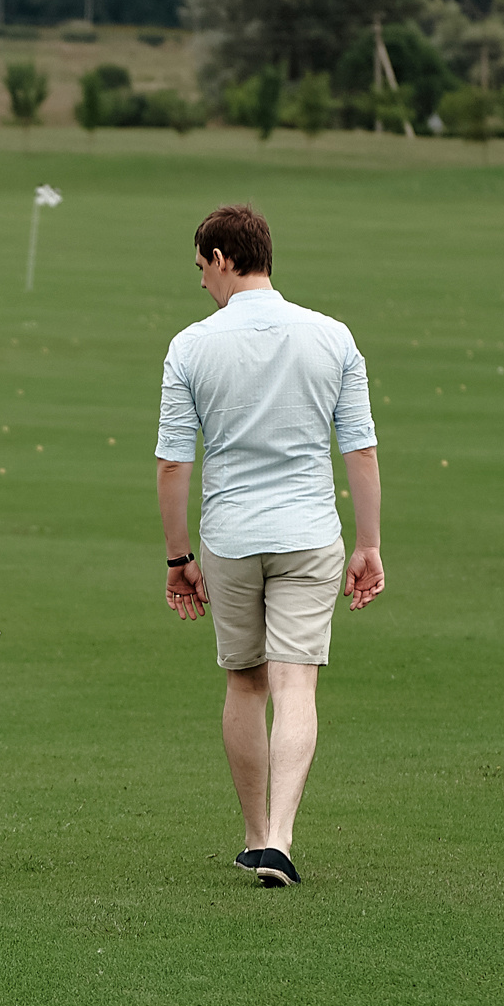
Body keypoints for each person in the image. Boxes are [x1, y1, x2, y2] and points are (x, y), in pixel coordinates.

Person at [157, 204, 385, 887]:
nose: (200, 282)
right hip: (310, 534)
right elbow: (362, 450)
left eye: (201, 267)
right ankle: (280, 838)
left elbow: (174, 465)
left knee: (246, 682)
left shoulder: (190, 346)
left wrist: (177, 560)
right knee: (296, 684)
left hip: (229, 538)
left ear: (224, 258)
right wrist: (369, 544)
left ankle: (258, 835)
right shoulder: (333, 336)